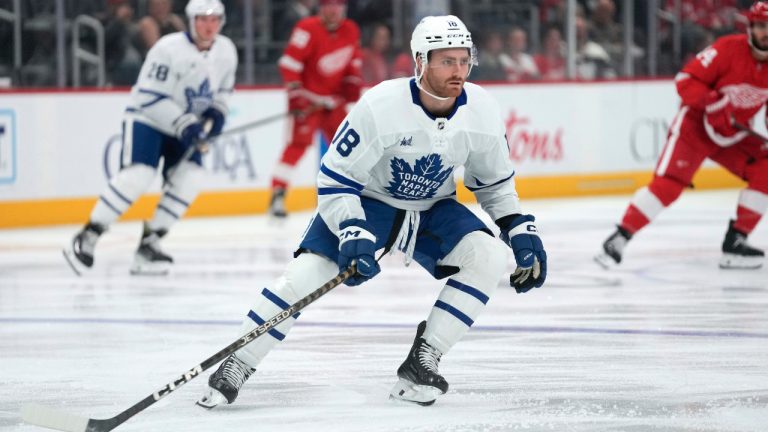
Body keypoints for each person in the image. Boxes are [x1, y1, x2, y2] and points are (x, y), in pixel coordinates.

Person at [197, 15, 547, 408]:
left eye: (464, 60)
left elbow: (494, 183)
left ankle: (423, 360)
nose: (458, 71)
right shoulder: (382, 105)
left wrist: (518, 227)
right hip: (369, 203)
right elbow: (335, 177)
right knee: (303, 278)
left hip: (433, 209)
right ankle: (237, 362)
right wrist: (351, 229)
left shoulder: (481, 109)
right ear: (420, 62)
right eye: (446, 61)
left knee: (489, 255)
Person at [63, 0, 237, 276]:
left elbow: (224, 90)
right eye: (203, 19)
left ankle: (149, 245)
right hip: (148, 119)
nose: (209, 25)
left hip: (185, 126)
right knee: (138, 176)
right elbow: (149, 97)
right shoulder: (167, 49)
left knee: (190, 179)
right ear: (191, 21)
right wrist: (186, 123)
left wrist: (218, 112)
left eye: (215, 19)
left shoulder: (226, 51)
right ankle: (88, 235)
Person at [595, 1, 768, 270]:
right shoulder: (727, 49)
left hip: (732, 133)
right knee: (669, 185)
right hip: (696, 126)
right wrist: (712, 101)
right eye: (761, 26)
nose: (765, 32)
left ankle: (736, 242)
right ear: (750, 27)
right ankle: (619, 237)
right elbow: (684, 81)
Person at [270, 0, 363, 217]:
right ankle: (278, 195)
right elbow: (289, 64)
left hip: (334, 103)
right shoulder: (306, 28)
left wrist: (352, 81)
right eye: (328, 5)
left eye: (337, 5)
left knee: (346, 148)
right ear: (320, 8)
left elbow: (353, 62)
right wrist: (295, 95)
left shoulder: (351, 29)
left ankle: (353, 193)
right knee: (296, 146)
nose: (333, 10)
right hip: (308, 101)